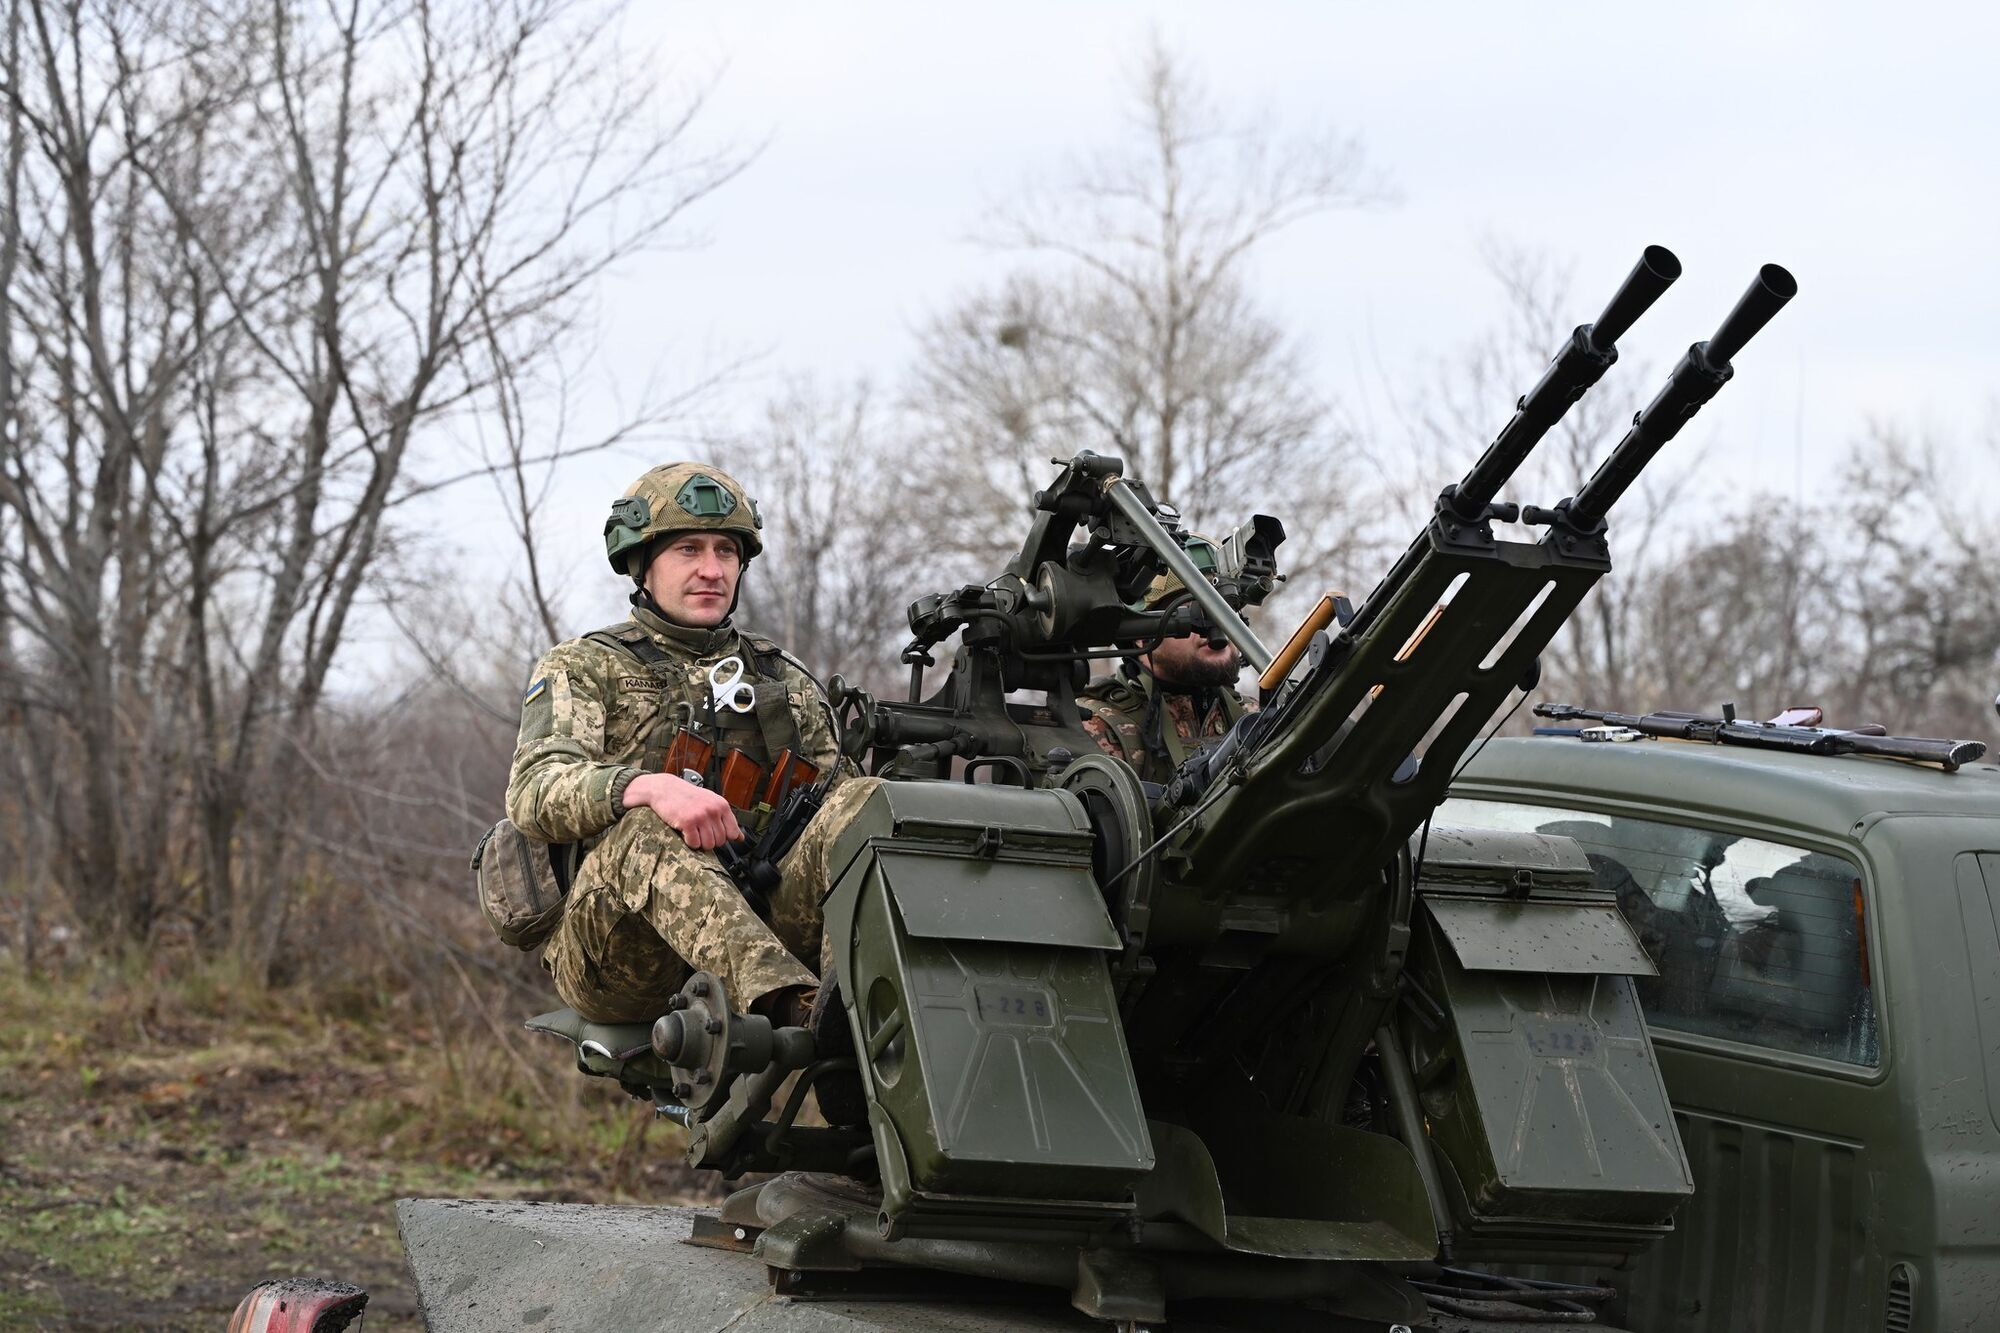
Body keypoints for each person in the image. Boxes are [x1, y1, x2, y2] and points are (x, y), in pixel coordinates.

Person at [505, 461, 875, 1031]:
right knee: (649, 823)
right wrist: (645, 787)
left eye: (726, 551)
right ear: (642, 565)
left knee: (866, 806)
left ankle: (854, 1020)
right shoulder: (587, 665)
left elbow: (839, 807)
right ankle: (800, 1015)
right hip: (621, 954)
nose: (711, 570)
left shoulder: (782, 676)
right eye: (688, 550)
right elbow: (534, 791)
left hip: (763, 908)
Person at [1076, 543, 1251, 785]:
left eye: (1225, 608)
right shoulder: (1095, 728)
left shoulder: (1259, 718)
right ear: (1141, 635)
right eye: (1193, 612)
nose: (1214, 626)